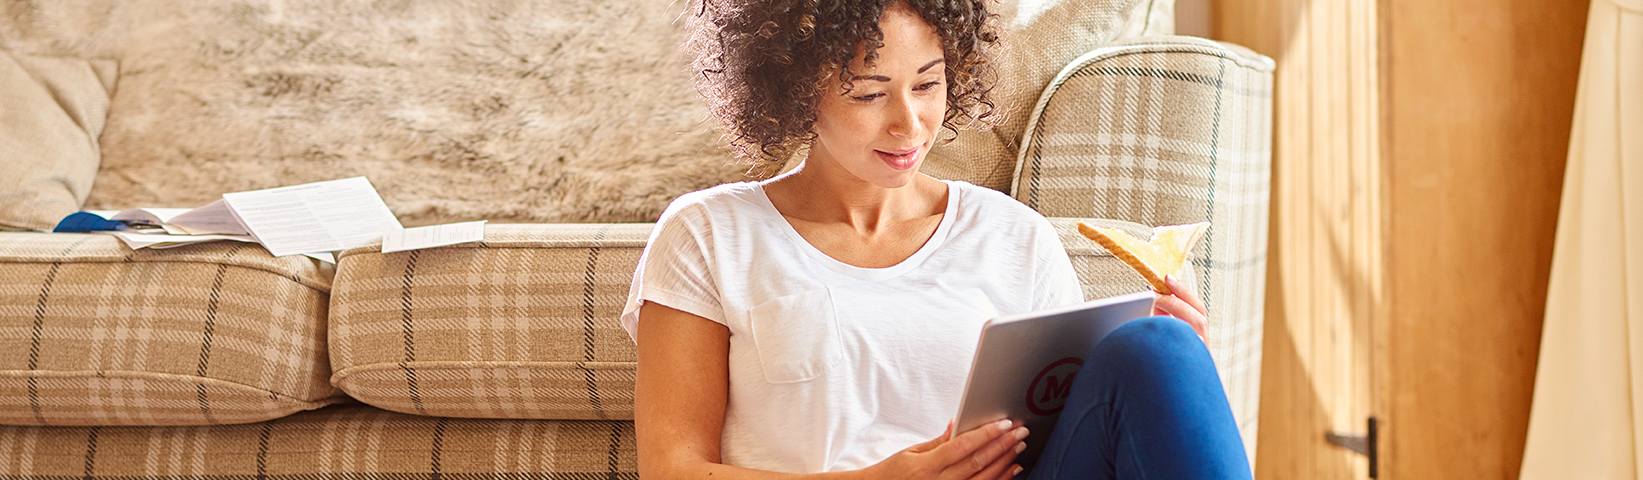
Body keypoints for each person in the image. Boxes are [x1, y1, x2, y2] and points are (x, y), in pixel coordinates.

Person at [619, 0, 1252, 478]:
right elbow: (673, 469)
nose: (910, 123)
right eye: (870, 93)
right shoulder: (708, 234)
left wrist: (1167, 368)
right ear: (797, 90)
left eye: (927, 84)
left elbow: (1065, 432)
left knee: (1159, 346)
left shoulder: (1014, 235)